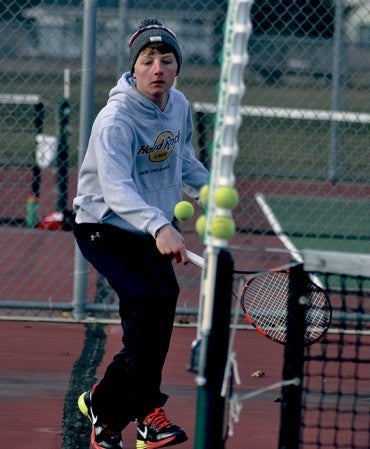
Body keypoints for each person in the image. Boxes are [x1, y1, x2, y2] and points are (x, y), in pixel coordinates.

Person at [73, 18, 209, 449]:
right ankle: (113, 419)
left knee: (162, 305)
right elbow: (117, 189)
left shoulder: (179, 105)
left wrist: (210, 189)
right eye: (148, 61)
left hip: (147, 226)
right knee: (146, 303)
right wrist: (160, 226)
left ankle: (114, 402)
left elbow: (182, 158)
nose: (158, 69)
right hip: (104, 226)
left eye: (166, 60)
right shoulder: (115, 120)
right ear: (134, 69)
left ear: (176, 68)